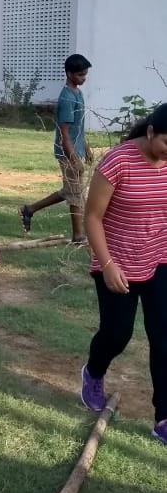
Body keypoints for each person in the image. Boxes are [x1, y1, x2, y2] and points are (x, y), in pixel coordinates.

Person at [79, 104, 167, 446]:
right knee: (117, 334)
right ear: (150, 133)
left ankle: (163, 417)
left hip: (160, 258)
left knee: (164, 339)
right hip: (116, 262)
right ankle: (93, 373)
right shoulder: (118, 161)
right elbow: (92, 217)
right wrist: (108, 263)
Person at [18, 53, 93, 243]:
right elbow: (64, 133)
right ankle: (77, 235)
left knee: (71, 190)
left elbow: (78, 127)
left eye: (85, 74)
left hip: (76, 149)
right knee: (76, 194)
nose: (83, 78)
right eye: (79, 75)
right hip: (67, 152)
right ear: (69, 74)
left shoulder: (78, 92)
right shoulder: (67, 98)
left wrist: (86, 147)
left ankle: (29, 209)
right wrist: (73, 157)